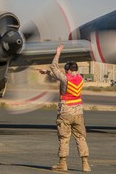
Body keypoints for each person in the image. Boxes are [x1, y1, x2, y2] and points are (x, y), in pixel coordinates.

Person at [38, 44, 91, 172]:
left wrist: (58, 53)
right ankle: (85, 164)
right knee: (81, 137)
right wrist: (47, 73)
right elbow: (58, 75)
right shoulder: (80, 78)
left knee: (64, 137)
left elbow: (54, 67)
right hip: (78, 112)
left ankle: (62, 163)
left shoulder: (65, 78)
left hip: (66, 111)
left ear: (67, 70)